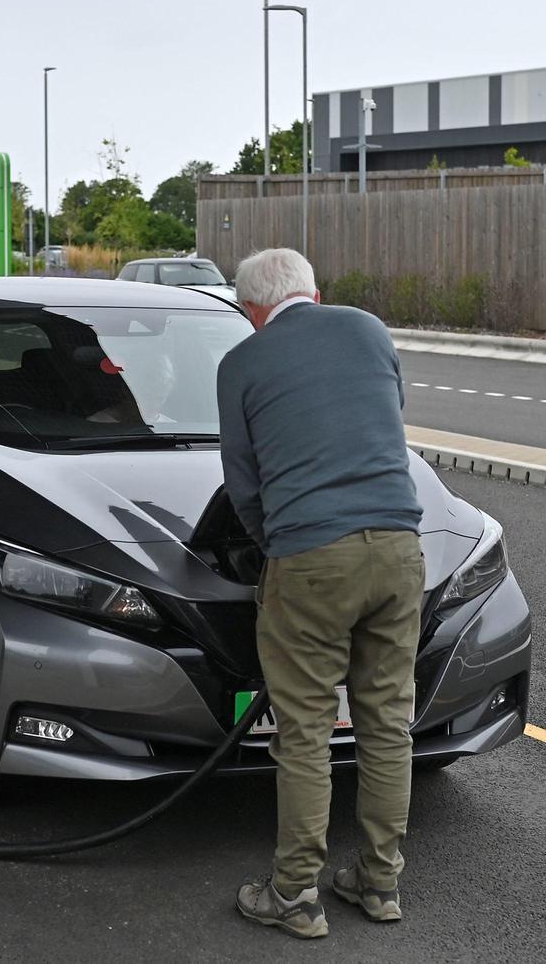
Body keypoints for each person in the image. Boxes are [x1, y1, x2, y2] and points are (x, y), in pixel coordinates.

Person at [217, 248, 424, 939]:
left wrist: (271, 548)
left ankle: (296, 894)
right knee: (387, 722)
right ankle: (379, 881)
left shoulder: (242, 363)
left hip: (310, 552)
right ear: (315, 291)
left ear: (252, 310)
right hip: (399, 547)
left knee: (305, 731)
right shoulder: (368, 329)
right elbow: (383, 419)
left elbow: (245, 486)